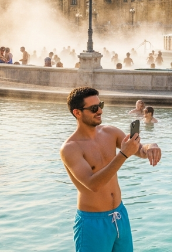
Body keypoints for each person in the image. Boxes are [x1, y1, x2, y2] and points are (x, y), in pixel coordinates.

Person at [60, 87, 161, 252]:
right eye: (93, 108)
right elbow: (93, 184)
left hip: (120, 215)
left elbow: (138, 149)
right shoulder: (70, 148)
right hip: (92, 223)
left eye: (100, 105)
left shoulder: (110, 132)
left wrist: (151, 146)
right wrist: (122, 154)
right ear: (77, 113)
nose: (99, 110)